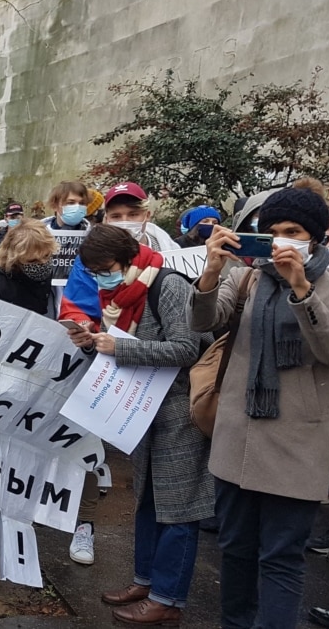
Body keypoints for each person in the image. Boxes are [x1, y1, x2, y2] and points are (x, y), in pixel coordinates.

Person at [190, 183, 329, 629]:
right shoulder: (248, 274)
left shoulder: (328, 282)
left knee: (281, 559)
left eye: (293, 230)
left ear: (316, 235)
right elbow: (202, 323)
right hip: (237, 435)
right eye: (272, 230)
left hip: (299, 442)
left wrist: (302, 289)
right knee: (234, 549)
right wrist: (211, 273)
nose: (282, 239)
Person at [64, 225, 212, 626]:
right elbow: (126, 340)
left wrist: (119, 346)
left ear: (130, 258)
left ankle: (168, 598)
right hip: (144, 409)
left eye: (106, 268)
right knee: (148, 501)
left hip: (178, 409)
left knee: (178, 509)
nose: (101, 277)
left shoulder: (168, 284)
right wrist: (95, 339)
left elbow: (187, 347)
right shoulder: (121, 293)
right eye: (94, 272)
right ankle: (146, 581)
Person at [59, 181, 182, 568]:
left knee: (165, 490)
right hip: (108, 372)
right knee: (90, 451)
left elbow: (188, 338)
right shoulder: (90, 259)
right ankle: (91, 531)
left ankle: (159, 584)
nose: (125, 222)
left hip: (163, 386)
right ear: (104, 219)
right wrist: (83, 330)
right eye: (116, 216)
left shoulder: (173, 262)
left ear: (147, 216)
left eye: (132, 215)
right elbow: (75, 306)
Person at [0, 218, 57, 317]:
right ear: (14, 257)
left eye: (47, 256)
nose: (43, 264)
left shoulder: (41, 273)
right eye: (33, 261)